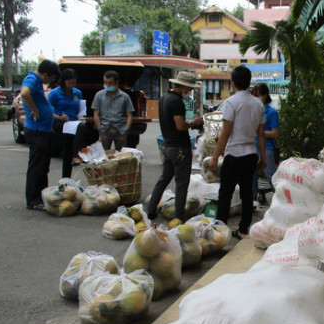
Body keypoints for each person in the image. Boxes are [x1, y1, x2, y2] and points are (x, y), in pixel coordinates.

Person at [210, 65, 266, 239]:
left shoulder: (231, 102)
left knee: (225, 194)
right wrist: (263, 158)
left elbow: (225, 133)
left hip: (234, 154)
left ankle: (220, 233)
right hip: (251, 155)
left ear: (232, 82)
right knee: (247, 194)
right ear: (249, 83)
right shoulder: (258, 104)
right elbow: (261, 134)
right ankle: (243, 230)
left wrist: (214, 157)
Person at [147, 71, 203, 222]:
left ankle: (151, 210)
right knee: (182, 184)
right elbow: (180, 125)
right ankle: (179, 216)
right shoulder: (177, 102)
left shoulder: (164, 98)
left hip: (168, 145)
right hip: (180, 147)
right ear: (184, 87)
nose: (189, 92)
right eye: (189, 89)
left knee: (164, 179)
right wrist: (194, 123)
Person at [22, 59, 61, 210]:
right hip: (36, 130)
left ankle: (41, 195)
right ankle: (33, 200)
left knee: (43, 166)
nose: (50, 81)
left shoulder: (37, 81)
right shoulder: (32, 79)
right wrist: (36, 111)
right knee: (37, 166)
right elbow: (24, 93)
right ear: (45, 74)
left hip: (42, 130)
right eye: (50, 78)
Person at [48, 68, 89, 178]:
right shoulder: (54, 93)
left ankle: (66, 179)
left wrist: (81, 117)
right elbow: (47, 111)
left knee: (80, 129)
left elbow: (80, 109)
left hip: (73, 123)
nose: (71, 85)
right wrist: (60, 117)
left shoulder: (77, 93)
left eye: (73, 82)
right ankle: (75, 155)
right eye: (69, 83)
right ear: (63, 81)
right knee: (70, 139)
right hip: (59, 122)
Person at [251, 82, 280, 207]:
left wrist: (260, 132)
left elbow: (275, 133)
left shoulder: (271, 112)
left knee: (271, 176)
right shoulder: (252, 110)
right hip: (252, 147)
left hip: (267, 148)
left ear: (265, 95)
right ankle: (252, 202)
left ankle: (281, 199)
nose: (256, 98)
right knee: (252, 178)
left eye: (258, 95)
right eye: (254, 95)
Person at [91, 70, 134, 151]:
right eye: (105, 82)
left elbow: (129, 114)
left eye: (110, 83)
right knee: (103, 156)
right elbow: (96, 113)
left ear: (117, 82)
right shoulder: (99, 95)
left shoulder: (125, 97)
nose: (107, 85)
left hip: (120, 129)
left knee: (121, 156)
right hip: (105, 128)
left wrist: (126, 129)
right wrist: (100, 128)